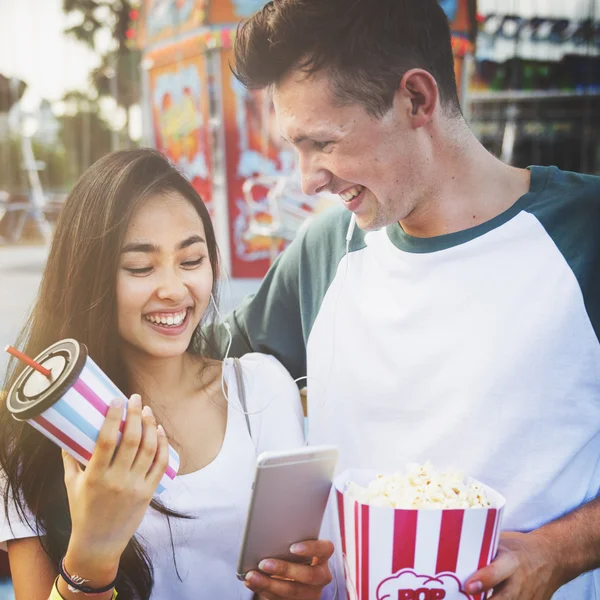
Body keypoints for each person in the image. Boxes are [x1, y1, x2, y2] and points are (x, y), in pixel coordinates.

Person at [216, 1, 600, 598]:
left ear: (416, 99)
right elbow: (190, 371)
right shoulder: (324, 250)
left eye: (322, 142)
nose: (306, 178)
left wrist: (562, 551)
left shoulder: (586, 233)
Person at [0, 149, 333, 600]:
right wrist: (93, 551)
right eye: (140, 267)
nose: (174, 289)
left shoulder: (260, 389)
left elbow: (313, 576)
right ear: (87, 277)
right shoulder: (36, 434)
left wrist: (305, 590)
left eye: (192, 261)